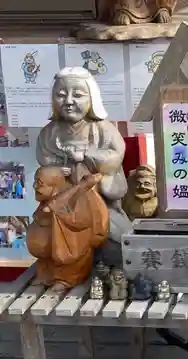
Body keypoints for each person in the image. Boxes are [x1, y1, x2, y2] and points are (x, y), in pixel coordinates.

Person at [36, 67, 131, 262]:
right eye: (61, 95)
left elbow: (116, 154)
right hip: (63, 200)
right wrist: (59, 170)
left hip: (98, 198)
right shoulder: (49, 132)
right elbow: (43, 158)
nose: (69, 101)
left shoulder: (102, 128)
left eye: (78, 95)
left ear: (91, 98)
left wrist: (86, 156)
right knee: (51, 237)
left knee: (114, 237)